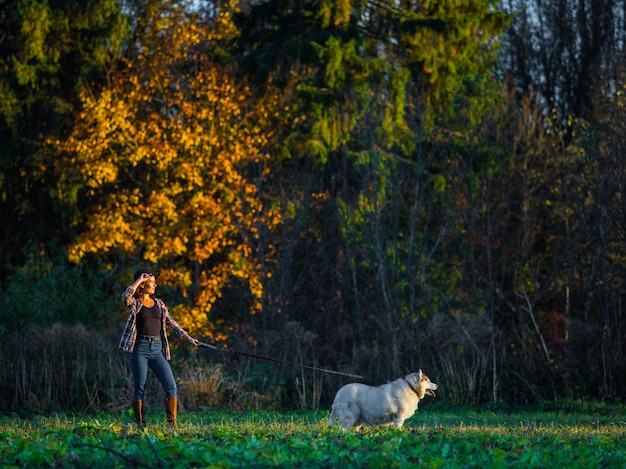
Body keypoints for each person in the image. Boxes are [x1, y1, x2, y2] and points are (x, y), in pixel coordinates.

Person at [119, 271, 199, 426]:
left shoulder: (160, 304)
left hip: (157, 348)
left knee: (171, 386)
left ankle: (171, 424)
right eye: (152, 282)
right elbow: (125, 298)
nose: (155, 285)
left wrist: (189, 338)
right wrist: (138, 280)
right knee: (139, 388)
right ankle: (141, 425)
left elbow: (171, 323)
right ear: (143, 285)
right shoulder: (136, 303)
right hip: (139, 349)